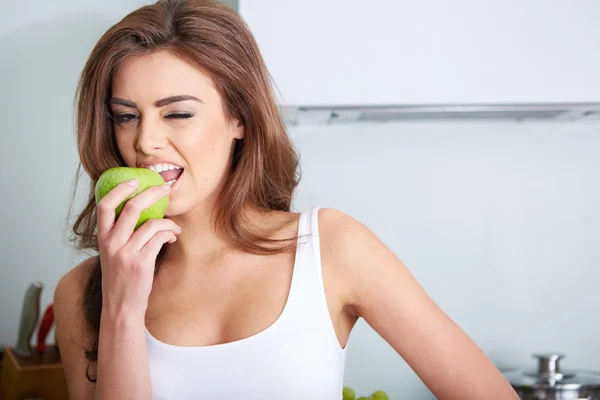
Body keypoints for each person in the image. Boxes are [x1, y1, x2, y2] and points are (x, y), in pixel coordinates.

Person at [53, 0, 518, 399]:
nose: (146, 140)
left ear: (239, 118)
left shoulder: (331, 247)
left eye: (177, 113)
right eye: (125, 116)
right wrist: (122, 308)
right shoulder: (82, 293)